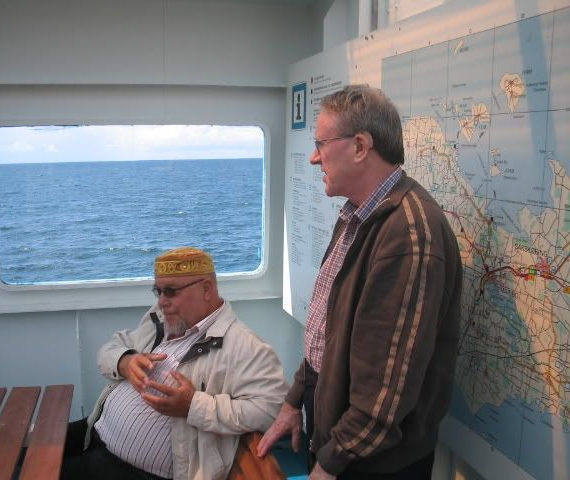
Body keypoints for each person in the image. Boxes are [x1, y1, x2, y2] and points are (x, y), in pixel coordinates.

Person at [257, 85, 463, 480]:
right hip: (341, 442)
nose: (314, 158)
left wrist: (329, 464)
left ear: (359, 146)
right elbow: (327, 333)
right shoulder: (357, 215)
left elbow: (386, 390)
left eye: (321, 144)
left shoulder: (408, 236)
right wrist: (294, 401)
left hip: (372, 463)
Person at [62, 246, 288, 480]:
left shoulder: (245, 346)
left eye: (171, 291)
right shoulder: (162, 318)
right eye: (158, 291)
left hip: (130, 471)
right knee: (38, 447)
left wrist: (193, 406)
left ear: (206, 289)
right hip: (93, 432)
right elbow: (114, 345)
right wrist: (125, 362)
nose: (161, 301)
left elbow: (272, 410)